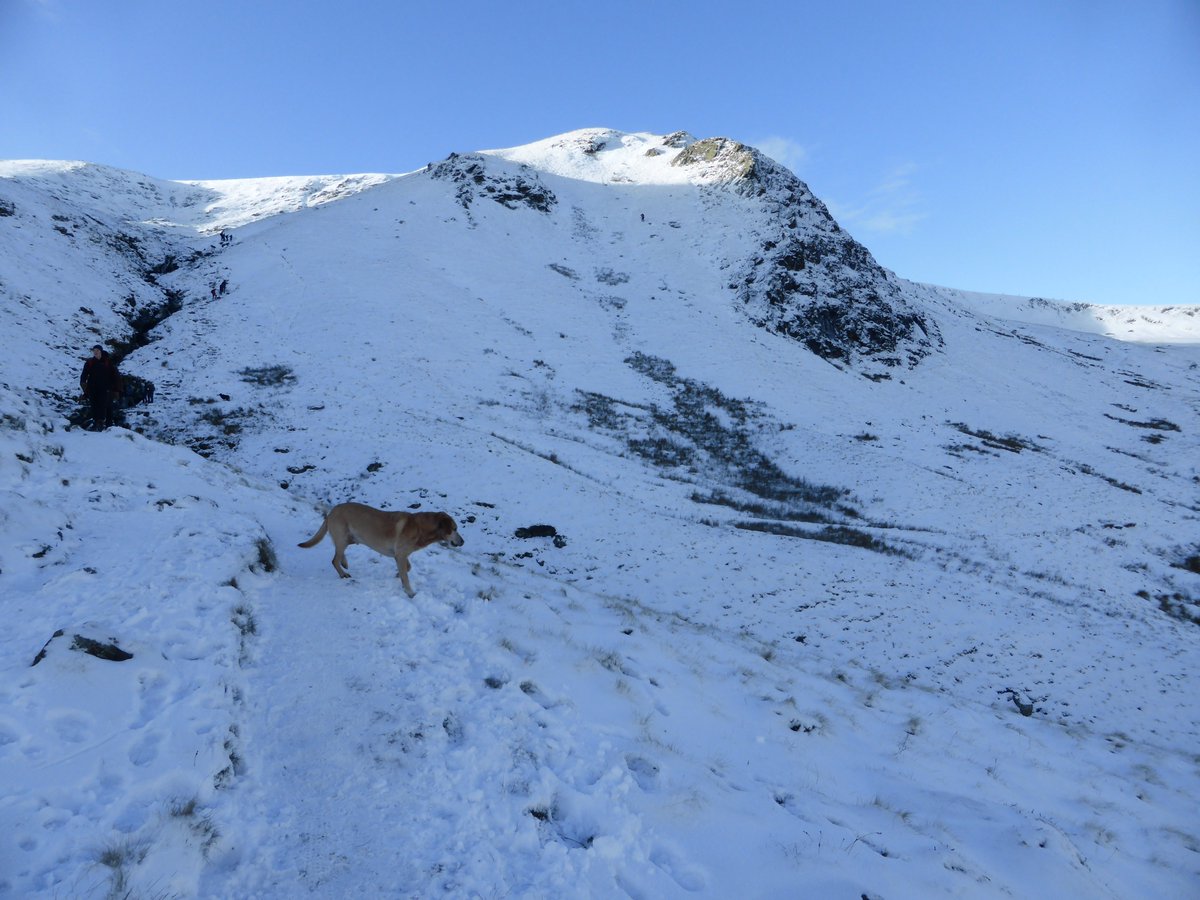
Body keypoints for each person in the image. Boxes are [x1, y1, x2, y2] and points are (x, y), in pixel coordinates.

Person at [79, 344, 121, 431]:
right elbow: (84, 375)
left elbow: (115, 376)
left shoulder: (108, 362)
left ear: (101, 351)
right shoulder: (89, 362)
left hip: (106, 388)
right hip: (92, 388)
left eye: (97, 351)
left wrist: (116, 390)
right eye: (94, 351)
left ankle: (107, 424)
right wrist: (83, 384)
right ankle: (96, 423)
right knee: (94, 405)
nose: (95, 352)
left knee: (105, 405)